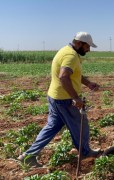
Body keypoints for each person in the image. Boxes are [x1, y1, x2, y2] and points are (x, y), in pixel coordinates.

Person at [18, 32, 100, 167]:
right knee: (81, 125)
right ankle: (85, 152)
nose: (88, 50)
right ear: (79, 43)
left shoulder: (66, 51)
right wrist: (76, 98)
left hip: (55, 97)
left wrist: (88, 83)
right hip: (65, 100)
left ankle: (28, 156)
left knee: (52, 127)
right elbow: (63, 77)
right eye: (87, 46)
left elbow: (73, 75)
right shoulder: (70, 56)